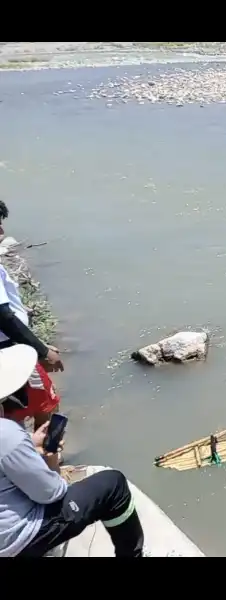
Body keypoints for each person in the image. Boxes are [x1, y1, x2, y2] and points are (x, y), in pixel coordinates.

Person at [0, 345, 144, 558]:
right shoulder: (7, 433)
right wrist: (50, 458)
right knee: (114, 485)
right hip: (14, 541)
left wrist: (28, 444)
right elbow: (52, 493)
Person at [0, 200, 65, 431]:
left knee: (11, 411)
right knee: (46, 404)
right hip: (7, 351)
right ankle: (46, 459)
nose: (1, 231)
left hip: (12, 344)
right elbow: (3, 317)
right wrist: (42, 351)